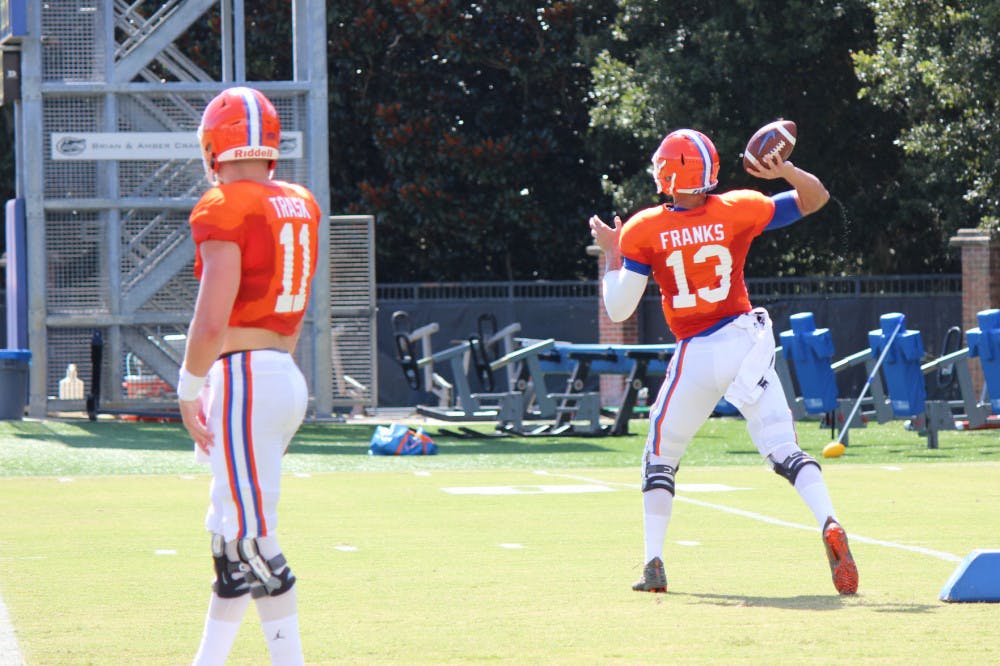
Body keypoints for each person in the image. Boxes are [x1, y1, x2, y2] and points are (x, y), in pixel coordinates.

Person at [588, 128, 858, 596]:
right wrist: (786, 170)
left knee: (660, 457)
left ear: (672, 173)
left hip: (695, 351)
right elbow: (816, 199)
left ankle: (654, 562)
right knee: (783, 447)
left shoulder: (643, 228)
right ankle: (829, 520)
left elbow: (619, 309)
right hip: (744, 342)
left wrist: (613, 253)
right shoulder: (738, 208)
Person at [178, 86, 321, 665]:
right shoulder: (299, 201)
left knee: (252, 542)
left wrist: (189, 387)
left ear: (215, 147)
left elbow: (211, 319)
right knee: (229, 543)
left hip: (244, 379)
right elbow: (292, 312)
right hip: (280, 370)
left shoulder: (223, 205)